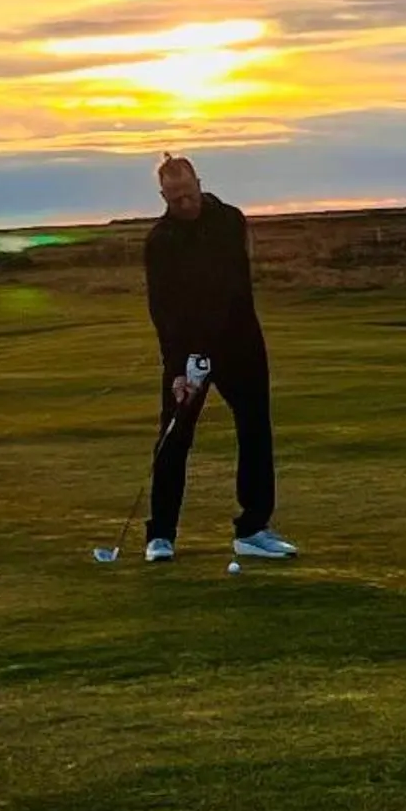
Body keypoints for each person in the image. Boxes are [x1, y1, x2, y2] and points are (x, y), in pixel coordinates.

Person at [143, 153, 297, 562]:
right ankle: (160, 534)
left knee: (255, 431)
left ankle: (253, 528)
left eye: (188, 193)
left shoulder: (231, 220)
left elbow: (234, 287)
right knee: (175, 436)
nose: (184, 203)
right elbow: (163, 308)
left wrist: (228, 341)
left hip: (240, 343)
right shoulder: (161, 241)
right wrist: (179, 368)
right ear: (163, 195)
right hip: (189, 352)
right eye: (175, 198)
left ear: (198, 183)